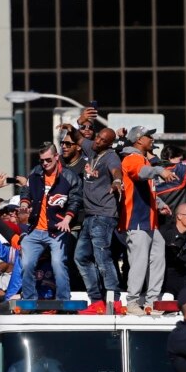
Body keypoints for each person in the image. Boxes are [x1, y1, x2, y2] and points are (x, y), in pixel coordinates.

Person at [122, 126, 177, 315]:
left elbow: (147, 188)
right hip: (136, 220)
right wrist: (160, 170)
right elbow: (142, 173)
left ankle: (152, 301)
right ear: (138, 140)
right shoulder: (131, 158)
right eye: (148, 136)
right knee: (139, 261)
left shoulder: (143, 158)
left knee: (157, 259)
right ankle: (132, 302)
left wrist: (160, 203)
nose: (152, 138)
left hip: (150, 221)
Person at [20, 143, 82, 301]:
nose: (45, 164)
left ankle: (63, 300)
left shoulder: (68, 176)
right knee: (26, 264)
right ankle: (29, 299)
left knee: (58, 264)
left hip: (57, 230)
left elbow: (76, 200)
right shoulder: (35, 173)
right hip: (35, 229)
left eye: (48, 160)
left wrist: (67, 219)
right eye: (42, 161)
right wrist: (24, 204)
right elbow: (26, 190)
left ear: (56, 157)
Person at [75, 127, 124, 313]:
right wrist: (71, 128)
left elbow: (116, 171)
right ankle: (97, 302)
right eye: (98, 137)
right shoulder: (91, 149)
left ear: (109, 143)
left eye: (103, 140)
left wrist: (117, 181)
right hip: (90, 216)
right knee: (81, 257)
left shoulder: (110, 156)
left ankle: (115, 301)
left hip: (103, 215)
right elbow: (79, 138)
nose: (97, 141)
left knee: (103, 258)